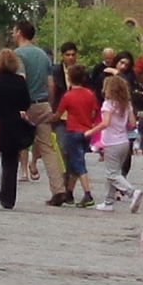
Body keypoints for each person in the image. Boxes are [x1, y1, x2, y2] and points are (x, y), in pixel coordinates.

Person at [12, 23, 64, 205]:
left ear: (19, 33)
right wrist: (48, 104)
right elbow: (51, 84)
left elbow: (21, 79)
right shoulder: (43, 55)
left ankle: (10, 187)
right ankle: (58, 188)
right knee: (48, 148)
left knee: (17, 145)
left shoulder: (18, 54)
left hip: (25, 106)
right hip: (42, 105)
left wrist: (20, 105)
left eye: (14, 30)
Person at [0, 46, 33, 211]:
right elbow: (26, 103)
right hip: (12, 123)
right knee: (10, 162)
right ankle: (8, 198)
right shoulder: (19, 81)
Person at [97, 71, 142, 211]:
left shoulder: (108, 104)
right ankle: (108, 201)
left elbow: (105, 123)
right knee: (114, 171)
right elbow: (132, 124)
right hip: (124, 141)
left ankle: (131, 191)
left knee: (111, 173)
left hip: (111, 141)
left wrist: (91, 132)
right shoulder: (126, 104)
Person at [57, 68, 101, 206]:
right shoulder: (90, 94)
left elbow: (59, 113)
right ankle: (69, 193)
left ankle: (88, 194)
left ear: (69, 78)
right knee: (74, 163)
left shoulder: (68, 96)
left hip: (73, 131)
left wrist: (49, 118)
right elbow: (94, 111)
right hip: (87, 131)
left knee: (79, 164)